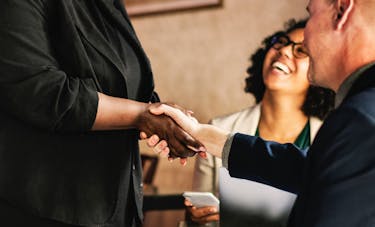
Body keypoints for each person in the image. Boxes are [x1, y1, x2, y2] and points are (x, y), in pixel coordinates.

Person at [147, 0, 375, 225]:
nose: (302, 37)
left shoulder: (360, 119)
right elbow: (307, 170)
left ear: (341, 12)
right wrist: (205, 135)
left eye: (311, 13)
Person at [0, 1, 202, 227]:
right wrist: (142, 115)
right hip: (51, 208)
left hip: (118, 204)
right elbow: (42, 92)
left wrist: (163, 113)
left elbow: (121, 87)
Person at [185, 18, 334, 227]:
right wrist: (199, 219)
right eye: (280, 42)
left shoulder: (333, 136)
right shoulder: (216, 129)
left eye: (301, 51)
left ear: (318, 68)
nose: (284, 52)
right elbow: (198, 213)